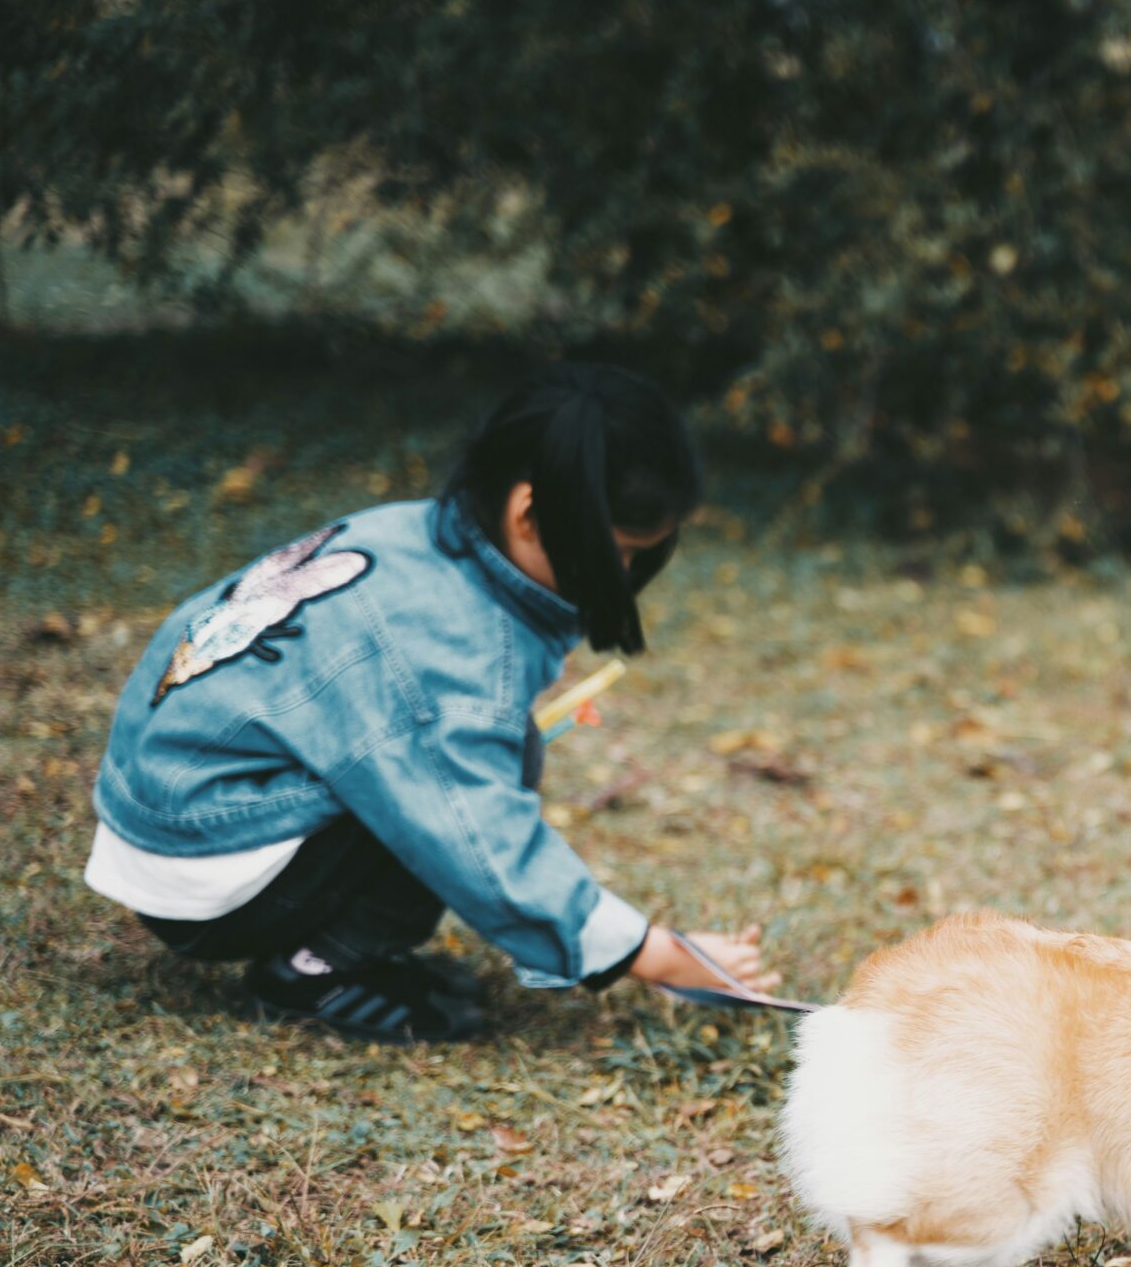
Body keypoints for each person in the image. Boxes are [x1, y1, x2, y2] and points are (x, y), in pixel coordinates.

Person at [84, 363, 780, 1042]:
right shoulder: (449, 645)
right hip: (208, 862)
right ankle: (309, 969)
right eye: (620, 552)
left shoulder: (418, 533)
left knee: (472, 756)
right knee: (448, 794)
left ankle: (336, 945)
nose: (625, 575)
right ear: (529, 512)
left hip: (169, 811)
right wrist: (648, 950)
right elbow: (478, 838)